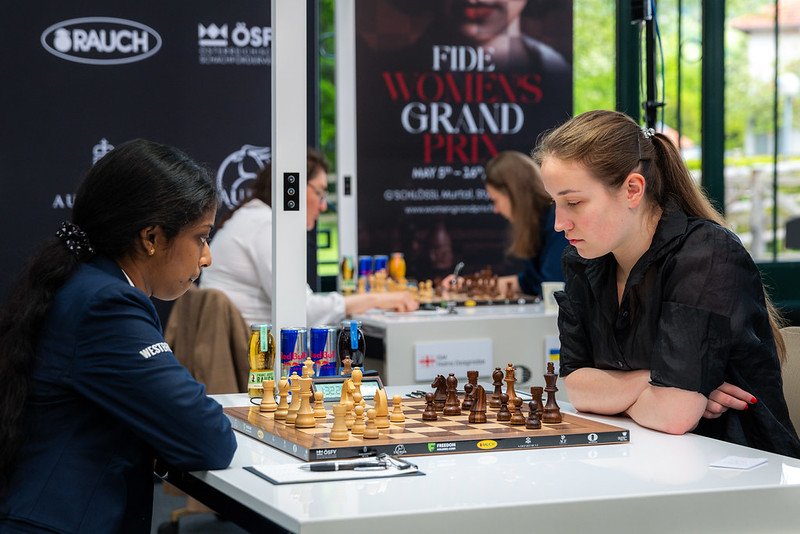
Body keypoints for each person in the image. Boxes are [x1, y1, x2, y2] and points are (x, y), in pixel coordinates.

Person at [531, 109, 800, 458]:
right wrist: (652, 382)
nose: (559, 223)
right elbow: (577, 388)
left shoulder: (705, 253)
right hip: (642, 456)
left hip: (739, 464)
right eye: (555, 203)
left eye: (574, 202)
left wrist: (620, 394)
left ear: (632, 189)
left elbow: (673, 415)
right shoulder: (583, 260)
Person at [0, 139, 237, 533]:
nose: (206, 257)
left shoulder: (81, 282)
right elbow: (209, 438)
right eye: (200, 237)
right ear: (151, 238)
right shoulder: (106, 306)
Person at [201, 148, 419, 326]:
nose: (323, 206)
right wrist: (376, 299)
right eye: (319, 192)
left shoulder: (255, 217)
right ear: (293, 188)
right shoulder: (265, 224)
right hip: (252, 357)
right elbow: (300, 311)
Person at [443, 151, 568, 297]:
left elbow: (552, 286)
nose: (495, 209)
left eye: (495, 200)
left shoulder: (558, 223)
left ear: (513, 194)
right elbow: (529, 283)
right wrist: (470, 284)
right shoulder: (539, 223)